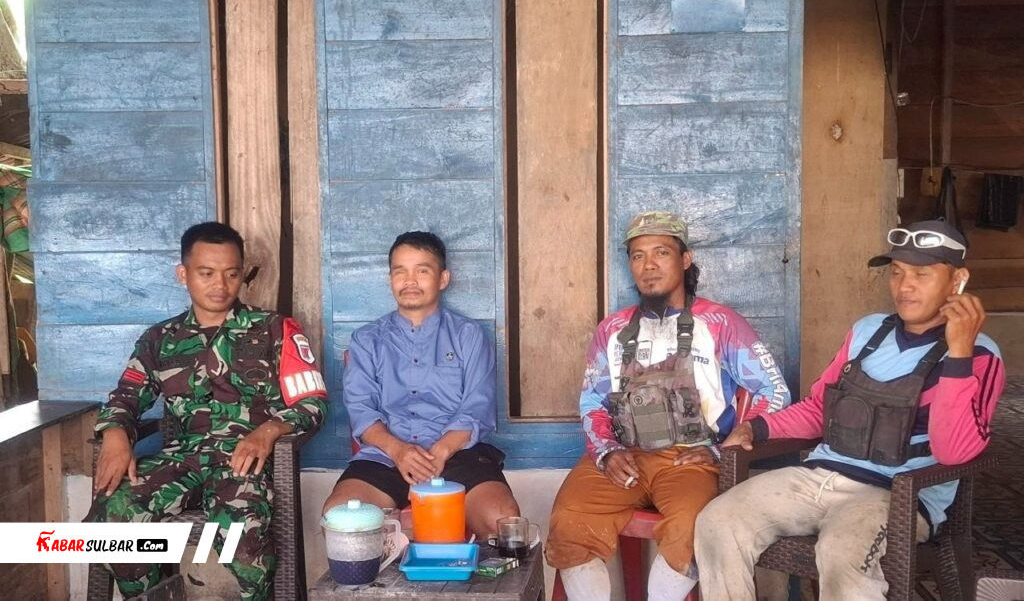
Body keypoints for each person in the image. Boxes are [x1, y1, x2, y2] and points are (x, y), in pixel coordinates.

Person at [694, 219, 1005, 601]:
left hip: (896, 497)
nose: (904, 286)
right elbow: (819, 409)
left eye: (921, 274)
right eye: (897, 272)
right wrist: (756, 428)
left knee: (843, 551)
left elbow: (953, 452)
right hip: (819, 477)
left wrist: (958, 353)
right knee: (717, 521)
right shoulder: (867, 332)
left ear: (957, 280)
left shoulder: (980, 354)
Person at [545, 211, 792, 601]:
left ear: (685, 259)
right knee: (569, 519)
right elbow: (592, 401)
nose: (649, 265)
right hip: (624, 456)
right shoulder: (612, 330)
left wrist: (722, 449)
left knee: (692, 525)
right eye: (638, 255)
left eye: (661, 252)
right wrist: (607, 451)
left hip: (691, 460)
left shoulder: (720, 323)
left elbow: (774, 391)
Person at [87, 222, 328, 600]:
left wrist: (267, 432)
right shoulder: (160, 339)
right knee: (113, 515)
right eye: (206, 273)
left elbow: (312, 402)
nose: (220, 285)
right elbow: (127, 396)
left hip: (243, 463)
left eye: (231, 274)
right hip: (181, 460)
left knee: (245, 544)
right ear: (183, 275)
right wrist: (116, 435)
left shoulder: (274, 330)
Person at [322, 231, 519, 536]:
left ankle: (473, 570)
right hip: (387, 455)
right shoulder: (367, 340)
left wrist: (439, 453)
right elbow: (362, 411)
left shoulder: (468, 336)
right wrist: (399, 451)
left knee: (502, 520)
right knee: (340, 519)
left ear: (443, 279)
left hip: (456, 453)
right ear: (390, 279)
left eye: (422, 271)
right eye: (400, 271)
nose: (409, 281)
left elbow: (477, 408)